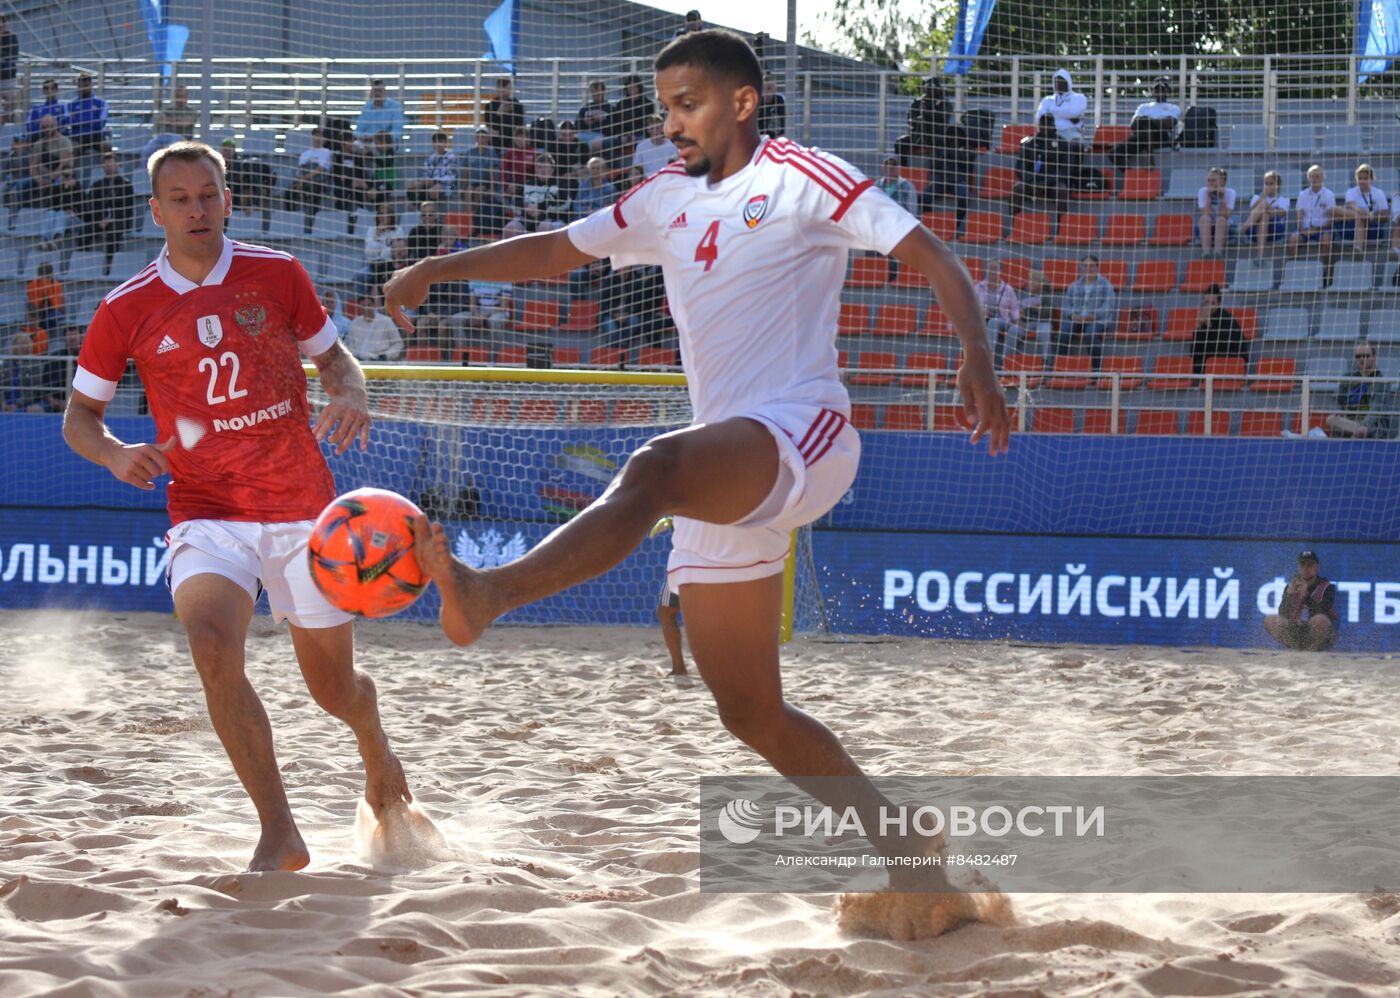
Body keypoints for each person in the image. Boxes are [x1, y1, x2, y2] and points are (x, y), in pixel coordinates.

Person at [385, 28, 1010, 936]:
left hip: (806, 431)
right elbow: (559, 249)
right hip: (727, 464)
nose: (671, 123)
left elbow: (932, 258)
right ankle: (910, 853)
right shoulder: (665, 198)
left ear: (742, 101)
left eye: (688, 104)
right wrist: (442, 267)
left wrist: (977, 360)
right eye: (664, 107)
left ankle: (488, 594)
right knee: (750, 711)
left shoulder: (806, 177)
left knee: (654, 464)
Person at [62, 140, 409, 872]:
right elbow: (79, 418)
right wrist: (117, 452)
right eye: (180, 198)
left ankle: (374, 743)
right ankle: (279, 832)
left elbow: (336, 359)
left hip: (300, 508)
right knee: (214, 648)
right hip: (205, 509)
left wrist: (349, 389)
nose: (196, 208)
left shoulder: (277, 273)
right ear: (156, 211)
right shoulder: (125, 307)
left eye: (208, 194)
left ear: (228, 199)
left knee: (334, 691)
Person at [38, 150, 135, 274]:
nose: (108, 166)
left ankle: (109, 263)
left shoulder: (126, 185)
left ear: (117, 165)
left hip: (118, 220)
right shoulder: (97, 185)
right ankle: (83, 261)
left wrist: (110, 219)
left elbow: (127, 208)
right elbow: (93, 207)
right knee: (84, 232)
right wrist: (100, 220)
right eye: (106, 163)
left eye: (111, 163)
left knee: (113, 232)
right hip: (100, 221)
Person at [1263, 551, 1338, 651]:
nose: (1306, 568)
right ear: (1299, 567)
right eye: (1303, 565)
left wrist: (1306, 596)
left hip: (1320, 633)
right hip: (1298, 632)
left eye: (1310, 565)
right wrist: (1288, 596)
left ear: (1317, 567)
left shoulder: (1327, 587)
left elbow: (1322, 612)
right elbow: (1283, 614)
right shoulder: (1292, 587)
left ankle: (1312, 651)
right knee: (1270, 620)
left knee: (1320, 620)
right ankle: (1295, 649)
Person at [1326, 340, 1397, 438]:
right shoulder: (1348, 377)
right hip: (1349, 423)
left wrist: (1364, 426)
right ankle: (1356, 430)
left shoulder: (1382, 382)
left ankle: (1357, 431)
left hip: (1372, 426)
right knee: (1330, 419)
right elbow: (1336, 399)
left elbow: (1376, 410)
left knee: (1366, 430)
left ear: (1374, 358)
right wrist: (1338, 411)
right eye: (1358, 356)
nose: (1362, 359)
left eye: (1366, 356)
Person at [1055, 253, 1115, 370]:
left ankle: (1096, 370)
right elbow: (1066, 305)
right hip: (1077, 319)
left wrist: (1094, 315)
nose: (1088, 269)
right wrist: (1072, 315)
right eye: (1085, 266)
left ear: (1097, 267)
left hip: (1097, 320)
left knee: (1091, 334)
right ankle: (1061, 368)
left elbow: (1109, 305)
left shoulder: (1105, 284)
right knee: (1063, 333)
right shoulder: (1074, 285)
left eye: (1091, 266)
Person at [1010, 113, 1074, 217]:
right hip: (1031, 182)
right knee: (1017, 188)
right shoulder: (1029, 142)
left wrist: (1046, 182)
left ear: (1053, 126)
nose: (1045, 127)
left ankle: (1061, 227)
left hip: (1053, 184)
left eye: (1048, 124)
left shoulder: (1063, 144)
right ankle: (1014, 222)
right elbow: (1020, 167)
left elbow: (1066, 170)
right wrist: (1032, 180)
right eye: (1043, 124)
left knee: (1061, 190)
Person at [1110, 78, 1180, 170]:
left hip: (1162, 137)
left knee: (1146, 127)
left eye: (1162, 89)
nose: (1159, 91)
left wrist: (1146, 120)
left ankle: (1150, 160)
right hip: (1142, 137)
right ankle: (1131, 173)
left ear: (1168, 91)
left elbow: (1169, 123)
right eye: (1157, 89)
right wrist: (1154, 121)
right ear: (1153, 91)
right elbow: (1133, 125)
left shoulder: (1173, 107)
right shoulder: (1143, 106)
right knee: (1113, 154)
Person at [650, 517, 688, 676]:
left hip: (696, 558)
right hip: (684, 560)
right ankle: (678, 668)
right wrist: (672, 519)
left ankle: (679, 668)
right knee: (666, 611)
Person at [1287, 165, 1338, 282]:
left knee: (1326, 241)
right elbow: (1299, 216)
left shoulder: (1329, 195)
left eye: (1317, 176)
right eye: (1312, 176)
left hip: (1323, 229)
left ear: (1323, 178)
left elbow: (1331, 220)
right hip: (1305, 229)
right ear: (1308, 178)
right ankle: (1294, 271)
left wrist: (1318, 229)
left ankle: (1327, 272)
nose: (1315, 179)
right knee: (1292, 241)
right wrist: (1302, 229)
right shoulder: (1302, 195)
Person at [975, 258, 1024, 366]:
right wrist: (980, 310)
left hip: (1004, 320)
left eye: (995, 268)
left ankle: (1004, 361)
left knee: (996, 322)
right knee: (992, 322)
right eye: (989, 268)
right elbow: (971, 305)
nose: (992, 271)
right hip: (983, 320)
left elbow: (1014, 308)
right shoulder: (978, 287)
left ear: (1000, 271)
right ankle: (989, 357)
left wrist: (1017, 320)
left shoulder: (1008, 289)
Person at [1190, 284, 1247, 375]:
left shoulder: (1227, 319)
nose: (1208, 306)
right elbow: (1195, 352)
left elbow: (1220, 347)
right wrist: (1199, 328)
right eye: (1206, 303)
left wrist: (1209, 325)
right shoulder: (1203, 317)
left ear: (1219, 304)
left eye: (1212, 303)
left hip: (1229, 361)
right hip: (1210, 362)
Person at [220, 138, 275, 232]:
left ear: (234, 150)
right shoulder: (219, 165)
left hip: (241, 193)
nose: (227, 152)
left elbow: (256, 184)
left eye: (229, 150)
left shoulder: (244, 165)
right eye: (225, 150)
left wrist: (255, 204)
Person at [1341, 163, 1389, 256]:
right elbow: (1351, 205)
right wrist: (1364, 213)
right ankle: (1358, 248)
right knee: (1336, 210)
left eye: (1365, 178)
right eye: (1360, 178)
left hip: (1373, 227)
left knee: (1360, 217)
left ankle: (1358, 248)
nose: (1362, 181)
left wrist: (1369, 216)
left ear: (1371, 179)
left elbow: (1385, 215)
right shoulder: (1350, 192)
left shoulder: (1379, 193)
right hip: (1351, 228)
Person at [1238, 170, 1289, 259]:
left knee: (1265, 207)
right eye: (1266, 183)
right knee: (1264, 216)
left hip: (1275, 230)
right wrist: (1263, 196)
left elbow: (1281, 214)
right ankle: (1260, 256)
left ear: (1278, 185)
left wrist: (1266, 206)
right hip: (1255, 229)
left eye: (1271, 183)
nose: (1268, 186)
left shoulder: (1283, 199)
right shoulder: (1257, 197)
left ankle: (1242, 229)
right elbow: (1252, 212)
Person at [345, 291, 404, 361]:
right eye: (363, 306)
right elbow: (348, 345)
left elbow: (398, 343)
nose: (366, 308)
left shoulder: (386, 321)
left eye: (369, 305)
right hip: (359, 360)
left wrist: (386, 355)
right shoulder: (354, 323)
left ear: (374, 306)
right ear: (359, 307)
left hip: (381, 360)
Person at [1036, 69, 1087, 146]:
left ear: (1068, 82)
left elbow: (1074, 112)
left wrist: (1052, 113)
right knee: (1033, 143)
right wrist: (1067, 116)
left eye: (1061, 81)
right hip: (1051, 133)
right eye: (1056, 81)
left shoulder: (1079, 98)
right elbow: (1039, 117)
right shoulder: (1047, 100)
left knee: (1075, 145)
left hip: (1071, 132)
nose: (1058, 84)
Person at [65, 73, 108, 160]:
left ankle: (111, 171)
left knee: (106, 145)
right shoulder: (70, 104)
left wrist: (78, 119)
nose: (84, 87)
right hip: (78, 136)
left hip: (96, 135)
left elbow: (101, 123)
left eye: (87, 85)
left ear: (91, 85)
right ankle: (70, 172)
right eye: (82, 85)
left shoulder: (101, 103)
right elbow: (68, 121)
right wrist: (92, 119)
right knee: (73, 148)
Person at [407, 131, 459, 202]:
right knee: (410, 184)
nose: (438, 144)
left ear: (446, 143)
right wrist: (425, 180)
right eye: (435, 142)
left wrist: (435, 181)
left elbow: (452, 177)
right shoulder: (430, 158)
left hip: (446, 186)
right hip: (430, 183)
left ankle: (430, 209)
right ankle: (418, 207)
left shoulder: (451, 157)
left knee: (434, 190)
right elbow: (426, 173)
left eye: (441, 142)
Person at [1196, 166, 1235, 258]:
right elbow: (1206, 213)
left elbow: (1226, 215)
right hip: (1206, 228)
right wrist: (1209, 196)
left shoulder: (1230, 192)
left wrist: (1222, 196)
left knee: (1221, 219)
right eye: (1208, 180)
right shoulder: (1202, 191)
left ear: (1222, 181)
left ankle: (1218, 252)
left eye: (1213, 180)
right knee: (1204, 218)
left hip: (1224, 228)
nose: (1210, 183)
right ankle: (1206, 252)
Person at [353, 79, 404, 148]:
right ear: (371, 93)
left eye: (379, 91)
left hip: (384, 143)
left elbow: (397, 131)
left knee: (374, 147)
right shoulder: (366, 107)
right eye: (375, 91)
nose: (377, 94)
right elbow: (358, 130)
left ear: (385, 92)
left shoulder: (395, 106)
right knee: (354, 146)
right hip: (366, 142)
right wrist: (360, 136)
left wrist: (380, 139)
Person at [484, 78, 526, 153]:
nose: (506, 91)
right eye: (503, 88)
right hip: (496, 142)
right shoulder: (490, 106)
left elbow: (520, 125)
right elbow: (491, 126)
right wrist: (499, 112)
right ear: (498, 89)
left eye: (508, 88)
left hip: (513, 141)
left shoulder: (517, 105)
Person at [575, 80, 613, 152]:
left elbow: (613, 128)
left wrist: (600, 120)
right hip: (585, 133)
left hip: (601, 135)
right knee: (573, 139)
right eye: (593, 90)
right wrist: (585, 122)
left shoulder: (610, 108)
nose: (595, 93)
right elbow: (576, 126)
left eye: (597, 90)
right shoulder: (585, 108)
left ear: (603, 91)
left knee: (595, 142)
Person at [462, 126, 501, 193]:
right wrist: (463, 188)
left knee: (478, 191)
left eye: (483, 137)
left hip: (485, 183)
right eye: (478, 137)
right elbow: (466, 171)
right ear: (476, 138)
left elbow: (492, 171)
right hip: (472, 182)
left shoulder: (491, 151)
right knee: (468, 191)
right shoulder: (470, 151)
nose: (481, 140)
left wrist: (492, 188)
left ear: (487, 138)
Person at [0, 14, 18, 125]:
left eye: (2, 22)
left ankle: (2, 121)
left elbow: (13, 55)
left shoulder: (11, 37)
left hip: (8, 78)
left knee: (12, 100)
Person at [757, 72, 786, 138]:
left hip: (776, 135)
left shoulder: (779, 100)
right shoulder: (757, 101)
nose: (766, 91)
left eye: (769, 88)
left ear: (774, 89)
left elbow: (783, 121)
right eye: (764, 89)